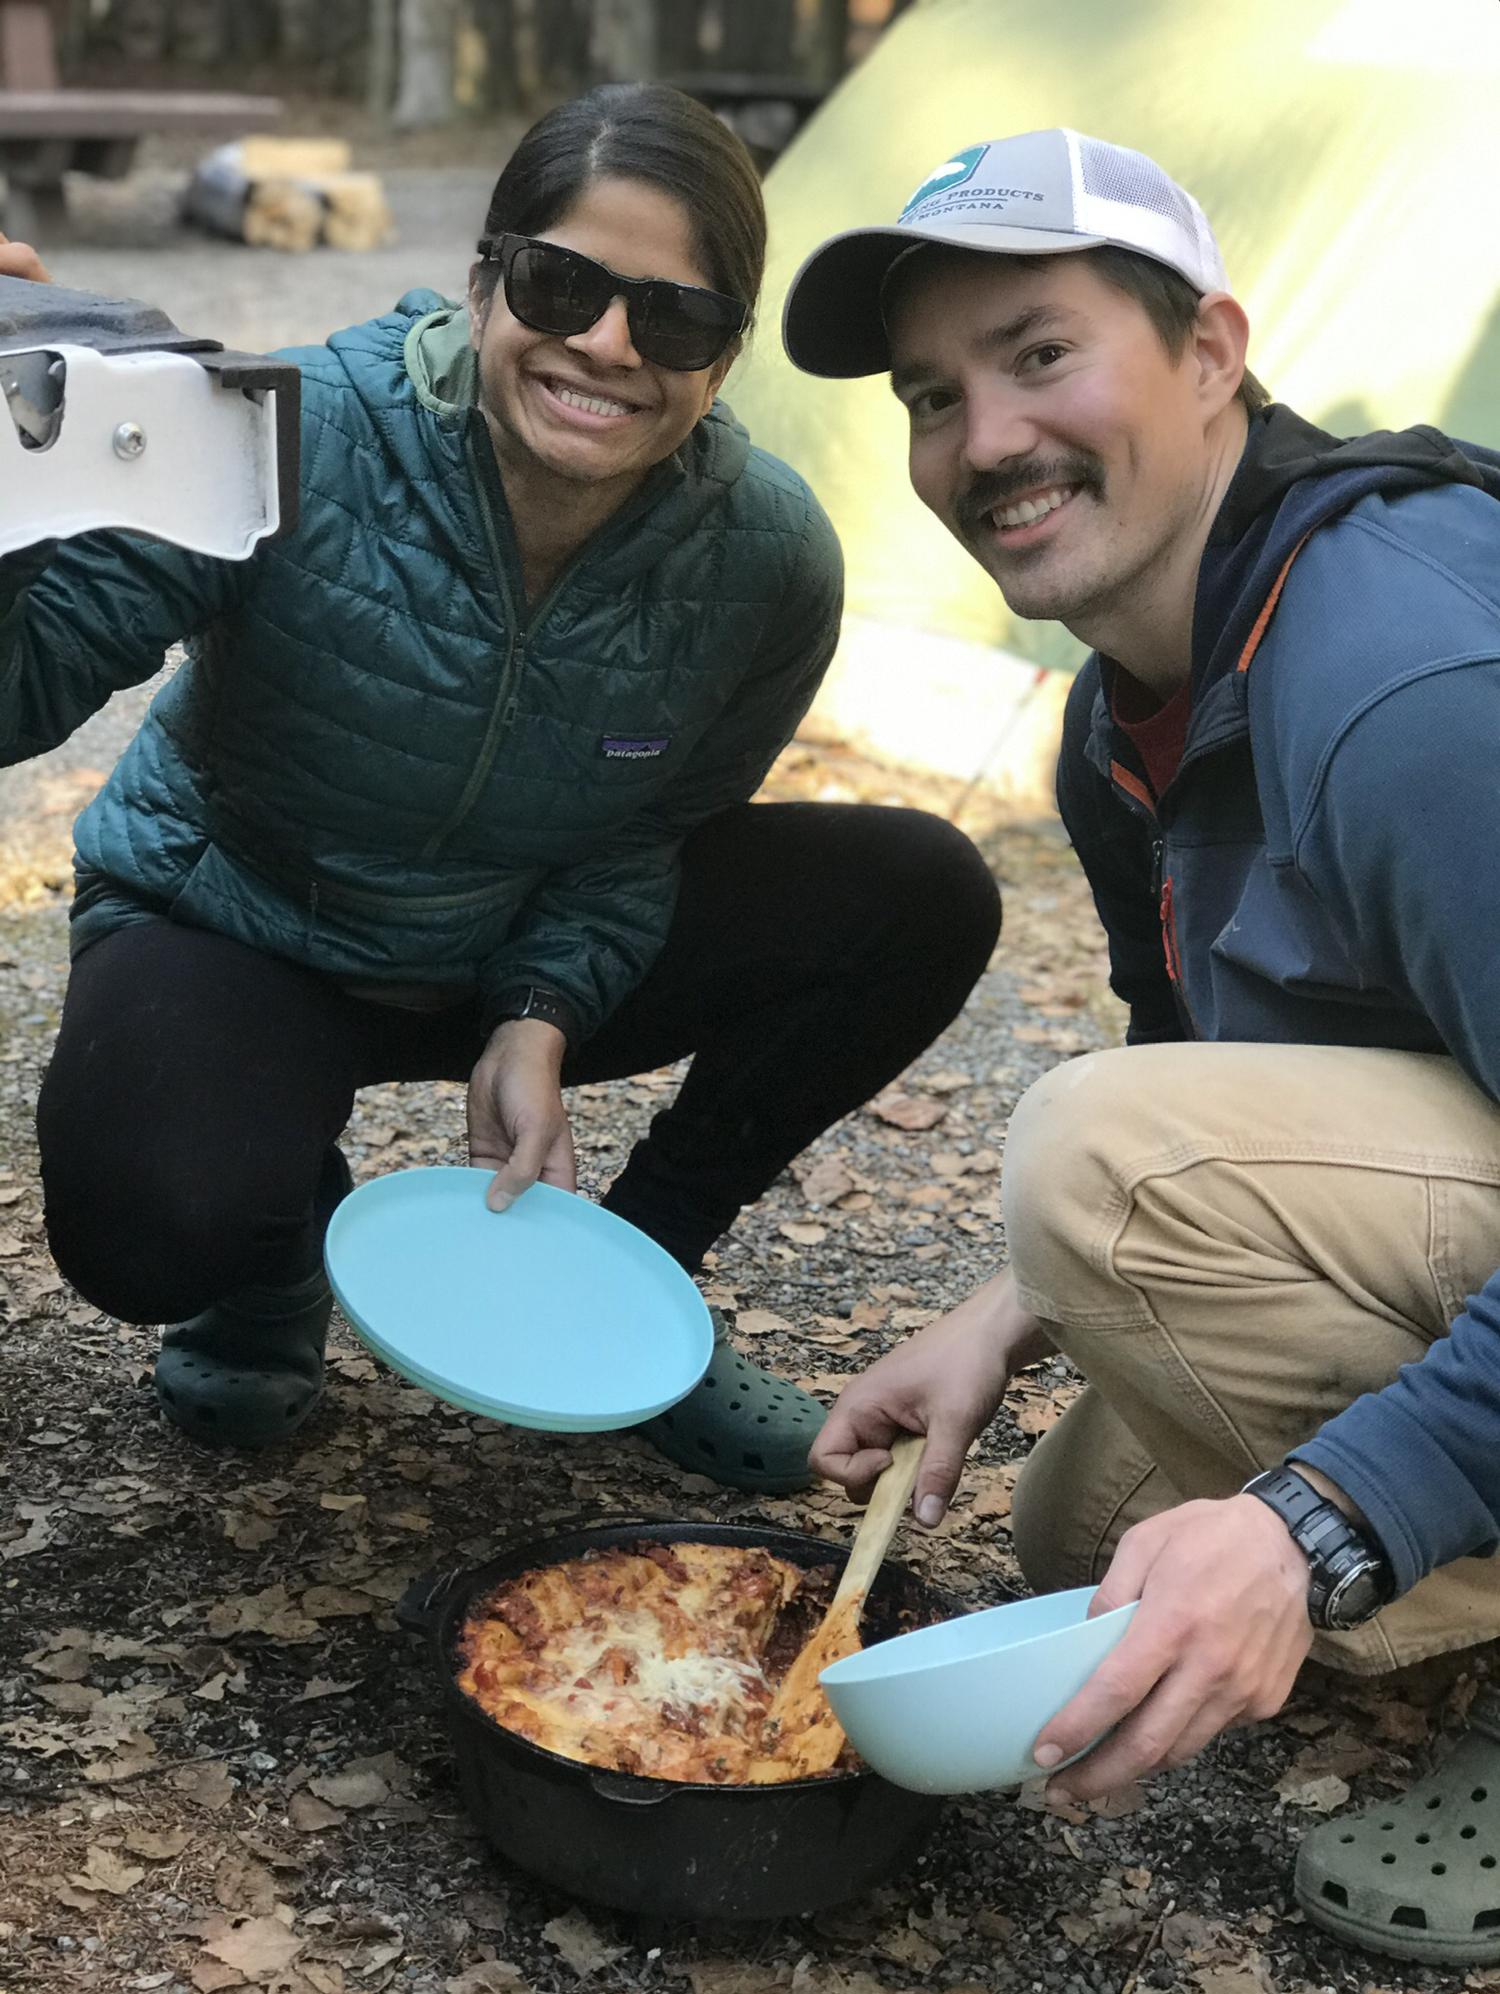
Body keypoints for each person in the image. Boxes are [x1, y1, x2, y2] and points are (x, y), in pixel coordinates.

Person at [0, 84, 1001, 1487]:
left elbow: (654, 831)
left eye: (676, 317)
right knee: (149, 1219)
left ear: (725, 354)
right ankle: (269, 1258)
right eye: (561, 281)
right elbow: (23, 691)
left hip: (500, 934)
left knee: (921, 890)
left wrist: (543, 1009)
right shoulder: (273, 432)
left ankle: (632, 1301)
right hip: (244, 925)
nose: (606, 342)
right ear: (484, 278)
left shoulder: (766, 562)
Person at [783, 126, 1500, 1962]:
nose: (984, 441)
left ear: (1212, 355)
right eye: (934, 395)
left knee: (1093, 1164)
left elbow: (1146, 1143)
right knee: (1079, 1545)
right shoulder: (1124, 717)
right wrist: (1004, 1307)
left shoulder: (1403, 684)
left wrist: (1325, 1525)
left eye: (1040, 354)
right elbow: (1209, 1048)